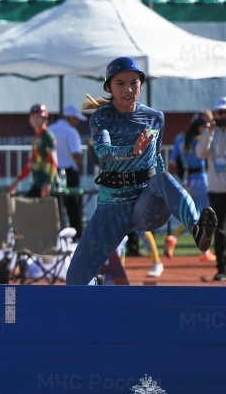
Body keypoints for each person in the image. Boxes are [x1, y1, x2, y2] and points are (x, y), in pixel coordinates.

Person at [66, 57, 217, 285]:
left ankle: (197, 230)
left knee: (163, 178)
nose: (128, 89)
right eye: (121, 83)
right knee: (75, 280)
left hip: (145, 205)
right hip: (111, 208)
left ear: (141, 84)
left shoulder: (155, 118)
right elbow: (103, 152)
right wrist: (132, 150)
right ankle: (97, 290)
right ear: (109, 87)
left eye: (134, 83)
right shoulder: (101, 118)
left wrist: (171, 194)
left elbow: (156, 159)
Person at [164, 112, 214, 261]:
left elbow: (173, 161)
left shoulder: (181, 139)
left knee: (194, 214)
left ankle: (175, 238)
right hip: (202, 179)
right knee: (205, 216)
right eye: (203, 126)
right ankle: (202, 250)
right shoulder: (200, 140)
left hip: (187, 180)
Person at [195, 96, 226, 281]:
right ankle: (222, 268)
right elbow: (200, 152)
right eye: (219, 112)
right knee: (220, 232)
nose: (223, 115)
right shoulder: (211, 133)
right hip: (215, 190)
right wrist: (210, 129)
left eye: (225, 112)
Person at [49, 104, 86, 239]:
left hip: (53, 172)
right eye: (75, 118)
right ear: (69, 117)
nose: (77, 122)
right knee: (73, 207)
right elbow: (76, 153)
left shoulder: (50, 129)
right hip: (69, 172)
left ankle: (55, 236)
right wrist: (80, 161)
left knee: (55, 206)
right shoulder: (71, 132)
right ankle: (76, 236)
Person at [9, 104, 58, 199]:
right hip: (38, 184)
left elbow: (54, 161)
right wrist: (17, 181)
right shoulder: (37, 137)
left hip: (46, 185)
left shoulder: (47, 136)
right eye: (33, 117)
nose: (35, 120)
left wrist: (48, 183)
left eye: (39, 117)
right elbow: (31, 163)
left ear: (45, 119)